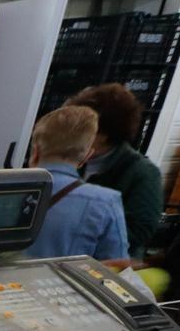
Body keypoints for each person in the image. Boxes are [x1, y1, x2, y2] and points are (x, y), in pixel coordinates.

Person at [68, 82, 165, 258]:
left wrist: (82, 235)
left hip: (107, 263)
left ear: (104, 134)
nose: (73, 134)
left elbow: (140, 229)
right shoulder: (71, 160)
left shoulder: (143, 173)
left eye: (82, 129)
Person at [21, 106, 128, 262]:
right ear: (86, 157)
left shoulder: (3, 190)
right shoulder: (105, 202)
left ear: (35, 151)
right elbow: (116, 267)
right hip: (63, 285)